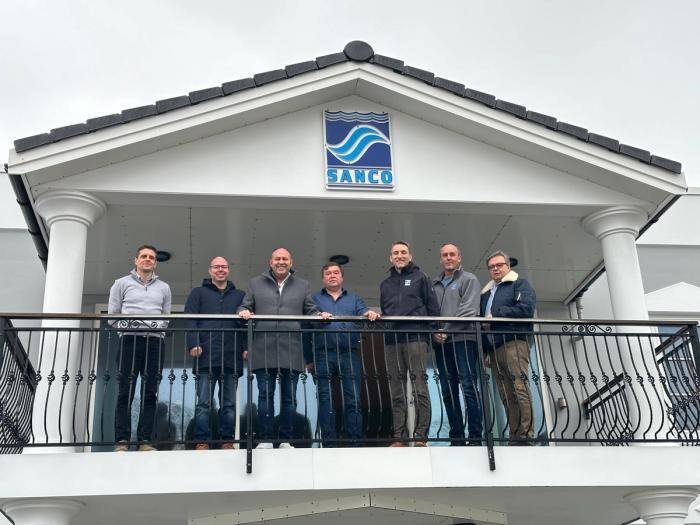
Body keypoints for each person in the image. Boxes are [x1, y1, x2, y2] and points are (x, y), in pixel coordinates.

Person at [238, 248, 331, 449]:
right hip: (263, 347)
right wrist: (244, 311)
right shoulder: (255, 283)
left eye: (285, 259)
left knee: (289, 398)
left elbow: (311, 311)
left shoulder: (303, 285)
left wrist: (320, 316)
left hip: (292, 348)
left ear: (291, 262)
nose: (281, 261)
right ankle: (265, 438)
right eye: (277, 259)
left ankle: (286, 439)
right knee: (265, 396)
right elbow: (244, 307)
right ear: (270, 262)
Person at [307, 263, 379, 447]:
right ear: (323, 278)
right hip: (323, 354)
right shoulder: (314, 299)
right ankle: (328, 442)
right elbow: (306, 326)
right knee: (325, 400)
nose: (332, 276)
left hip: (349, 354)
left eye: (336, 273)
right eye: (328, 273)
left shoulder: (354, 299)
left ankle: (354, 442)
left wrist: (369, 313)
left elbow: (364, 312)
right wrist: (308, 359)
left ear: (342, 277)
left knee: (353, 399)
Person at [108, 244, 172, 451]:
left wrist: (154, 330)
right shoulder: (121, 283)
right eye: (143, 256)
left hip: (154, 342)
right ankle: (122, 441)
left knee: (150, 391)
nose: (147, 259)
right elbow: (112, 316)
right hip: (129, 340)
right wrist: (132, 326)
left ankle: (145, 440)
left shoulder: (164, 287)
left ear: (155, 262)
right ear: (135, 260)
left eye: (151, 257)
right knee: (125, 391)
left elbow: (166, 318)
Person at [379, 241, 440, 447]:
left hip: (416, 338)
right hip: (392, 341)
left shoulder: (421, 277)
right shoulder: (385, 284)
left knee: (419, 388)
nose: (399, 256)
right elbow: (385, 312)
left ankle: (421, 436)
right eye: (395, 253)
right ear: (390, 257)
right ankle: (400, 436)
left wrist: (431, 332)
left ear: (410, 256)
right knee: (396, 390)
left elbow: (433, 308)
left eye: (403, 252)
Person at [184, 256, 246, 450]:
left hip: (231, 356)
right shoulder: (198, 293)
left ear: (228, 270)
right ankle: (202, 440)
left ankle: (227, 441)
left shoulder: (240, 295)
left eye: (224, 267)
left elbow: (244, 324)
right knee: (204, 403)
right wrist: (193, 344)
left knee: (228, 404)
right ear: (210, 271)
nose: (220, 270)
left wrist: (245, 347)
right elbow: (190, 319)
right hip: (205, 356)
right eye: (217, 267)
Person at [479, 250, 537, 444]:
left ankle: (526, 434)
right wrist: (485, 350)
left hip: (513, 342)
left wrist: (497, 314)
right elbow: (482, 323)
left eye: (499, 265)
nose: (495, 269)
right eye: (492, 267)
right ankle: (515, 435)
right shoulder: (486, 293)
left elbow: (526, 309)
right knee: (506, 394)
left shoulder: (519, 284)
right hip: (494, 347)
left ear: (508, 266)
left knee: (519, 387)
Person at [432, 243, 483, 446]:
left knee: (468, 386)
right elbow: (430, 312)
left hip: (463, 340)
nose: (449, 258)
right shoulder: (434, 284)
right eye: (445, 255)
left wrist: (446, 329)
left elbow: (469, 309)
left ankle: (476, 436)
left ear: (459, 258)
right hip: (442, 344)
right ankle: (457, 437)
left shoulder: (469, 279)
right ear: (441, 259)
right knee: (447, 390)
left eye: (452, 254)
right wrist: (434, 331)